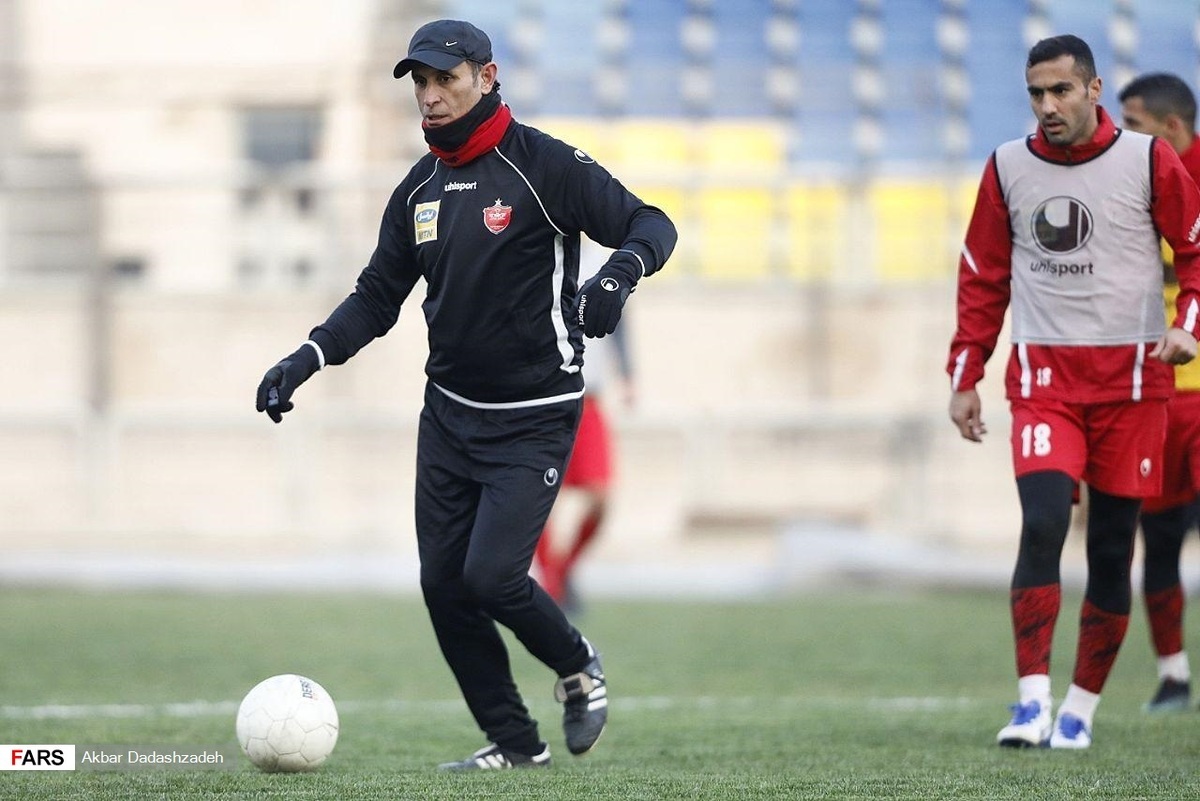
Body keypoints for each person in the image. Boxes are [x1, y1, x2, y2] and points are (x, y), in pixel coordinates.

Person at [255, 19, 676, 770]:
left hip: (536, 416)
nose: (430, 94)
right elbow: (377, 295)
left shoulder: (542, 166)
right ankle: (516, 744)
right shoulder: (417, 188)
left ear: (486, 77)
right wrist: (309, 354)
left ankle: (578, 664)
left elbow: (651, 222)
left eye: (445, 78)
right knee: (444, 587)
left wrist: (618, 273)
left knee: (492, 577)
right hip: (448, 416)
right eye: (420, 82)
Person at [946, 34, 1200, 750]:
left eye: (1061, 91)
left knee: (1115, 547)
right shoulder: (1007, 167)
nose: (1047, 106)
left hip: (1133, 383)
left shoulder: (1151, 160)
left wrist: (1188, 325)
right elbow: (982, 276)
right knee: (1045, 522)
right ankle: (1031, 702)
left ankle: (1082, 709)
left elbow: (1196, 249)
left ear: (1092, 90)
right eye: (1036, 93)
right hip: (1045, 380)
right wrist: (966, 375)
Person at [1118, 72, 1200, 714]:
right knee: (1160, 538)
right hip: (1153, 394)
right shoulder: (1120, 180)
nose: (1123, 137)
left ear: (1172, 128)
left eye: (1136, 125)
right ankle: (1173, 676)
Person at [534, 241, 636, 613]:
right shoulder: (536, 251)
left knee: (600, 496)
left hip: (588, 398)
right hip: (543, 398)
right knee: (539, 497)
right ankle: (552, 583)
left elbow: (620, 319)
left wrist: (627, 373)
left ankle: (561, 571)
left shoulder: (601, 262)